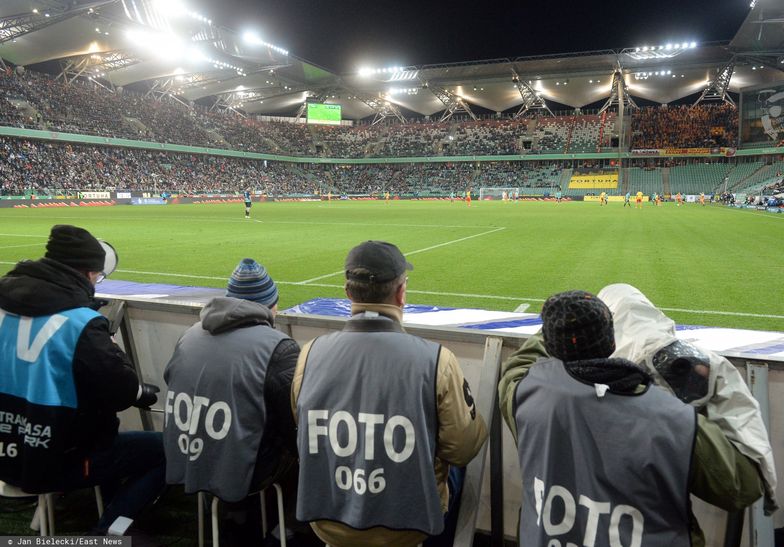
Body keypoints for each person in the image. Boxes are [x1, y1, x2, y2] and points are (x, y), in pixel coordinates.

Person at [498, 290, 768, 546]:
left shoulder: (524, 393)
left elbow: (520, 362)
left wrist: (564, 321)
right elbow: (742, 487)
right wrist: (720, 385)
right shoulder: (673, 420)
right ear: (612, 340)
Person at [293, 241, 487, 547]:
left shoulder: (309, 354)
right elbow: (463, 449)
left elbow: (301, 427)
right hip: (405, 529)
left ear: (348, 294)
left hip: (329, 522)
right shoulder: (437, 360)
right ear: (400, 293)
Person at [0, 225, 165, 535]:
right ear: (88, 273)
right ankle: (106, 535)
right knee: (164, 450)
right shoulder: (80, 322)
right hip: (55, 458)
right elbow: (122, 390)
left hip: (8, 452)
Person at [163, 258, 299, 506]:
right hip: (243, 470)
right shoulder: (277, 347)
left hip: (187, 457)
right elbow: (293, 419)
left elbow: (169, 379)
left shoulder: (190, 334)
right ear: (272, 305)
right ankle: (283, 530)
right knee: (306, 450)